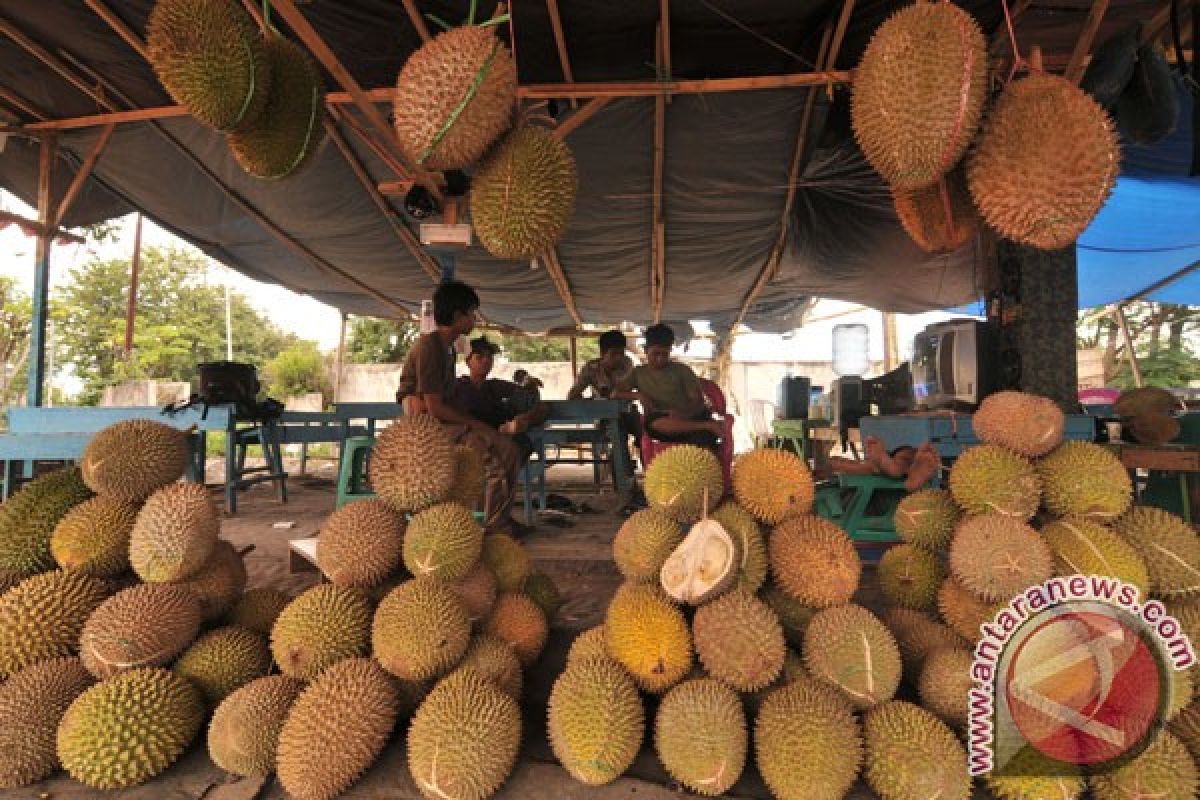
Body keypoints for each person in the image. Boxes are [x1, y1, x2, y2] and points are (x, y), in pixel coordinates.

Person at [395, 281, 527, 536]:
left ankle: (501, 520)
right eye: (472, 312)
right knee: (494, 460)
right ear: (458, 316)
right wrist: (479, 427)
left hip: (443, 419)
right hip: (424, 424)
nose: (475, 318)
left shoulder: (447, 349)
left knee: (510, 450)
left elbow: (447, 399)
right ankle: (495, 527)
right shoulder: (429, 347)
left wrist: (484, 426)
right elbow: (433, 407)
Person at [614, 323, 726, 451]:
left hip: (690, 417)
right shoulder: (638, 373)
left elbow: (698, 401)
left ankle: (705, 427)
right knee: (655, 423)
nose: (660, 359)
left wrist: (684, 414)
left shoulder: (682, 370)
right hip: (662, 425)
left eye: (664, 354)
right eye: (655, 354)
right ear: (645, 350)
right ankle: (706, 425)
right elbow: (615, 393)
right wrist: (638, 395)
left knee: (703, 443)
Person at [453, 336, 550, 464]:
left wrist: (524, 418)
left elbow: (531, 399)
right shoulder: (459, 387)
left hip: (501, 439)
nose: (486, 360)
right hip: (472, 441)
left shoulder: (496, 386)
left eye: (489, 357)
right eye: (479, 357)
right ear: (468, 361)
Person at [827, 437, 941, 491]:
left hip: (886, 461)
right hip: (886, 464)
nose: (842, 459)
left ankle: (892, 466)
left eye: (841, 459)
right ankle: (894, 466)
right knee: (904, 457)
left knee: (904, 455)